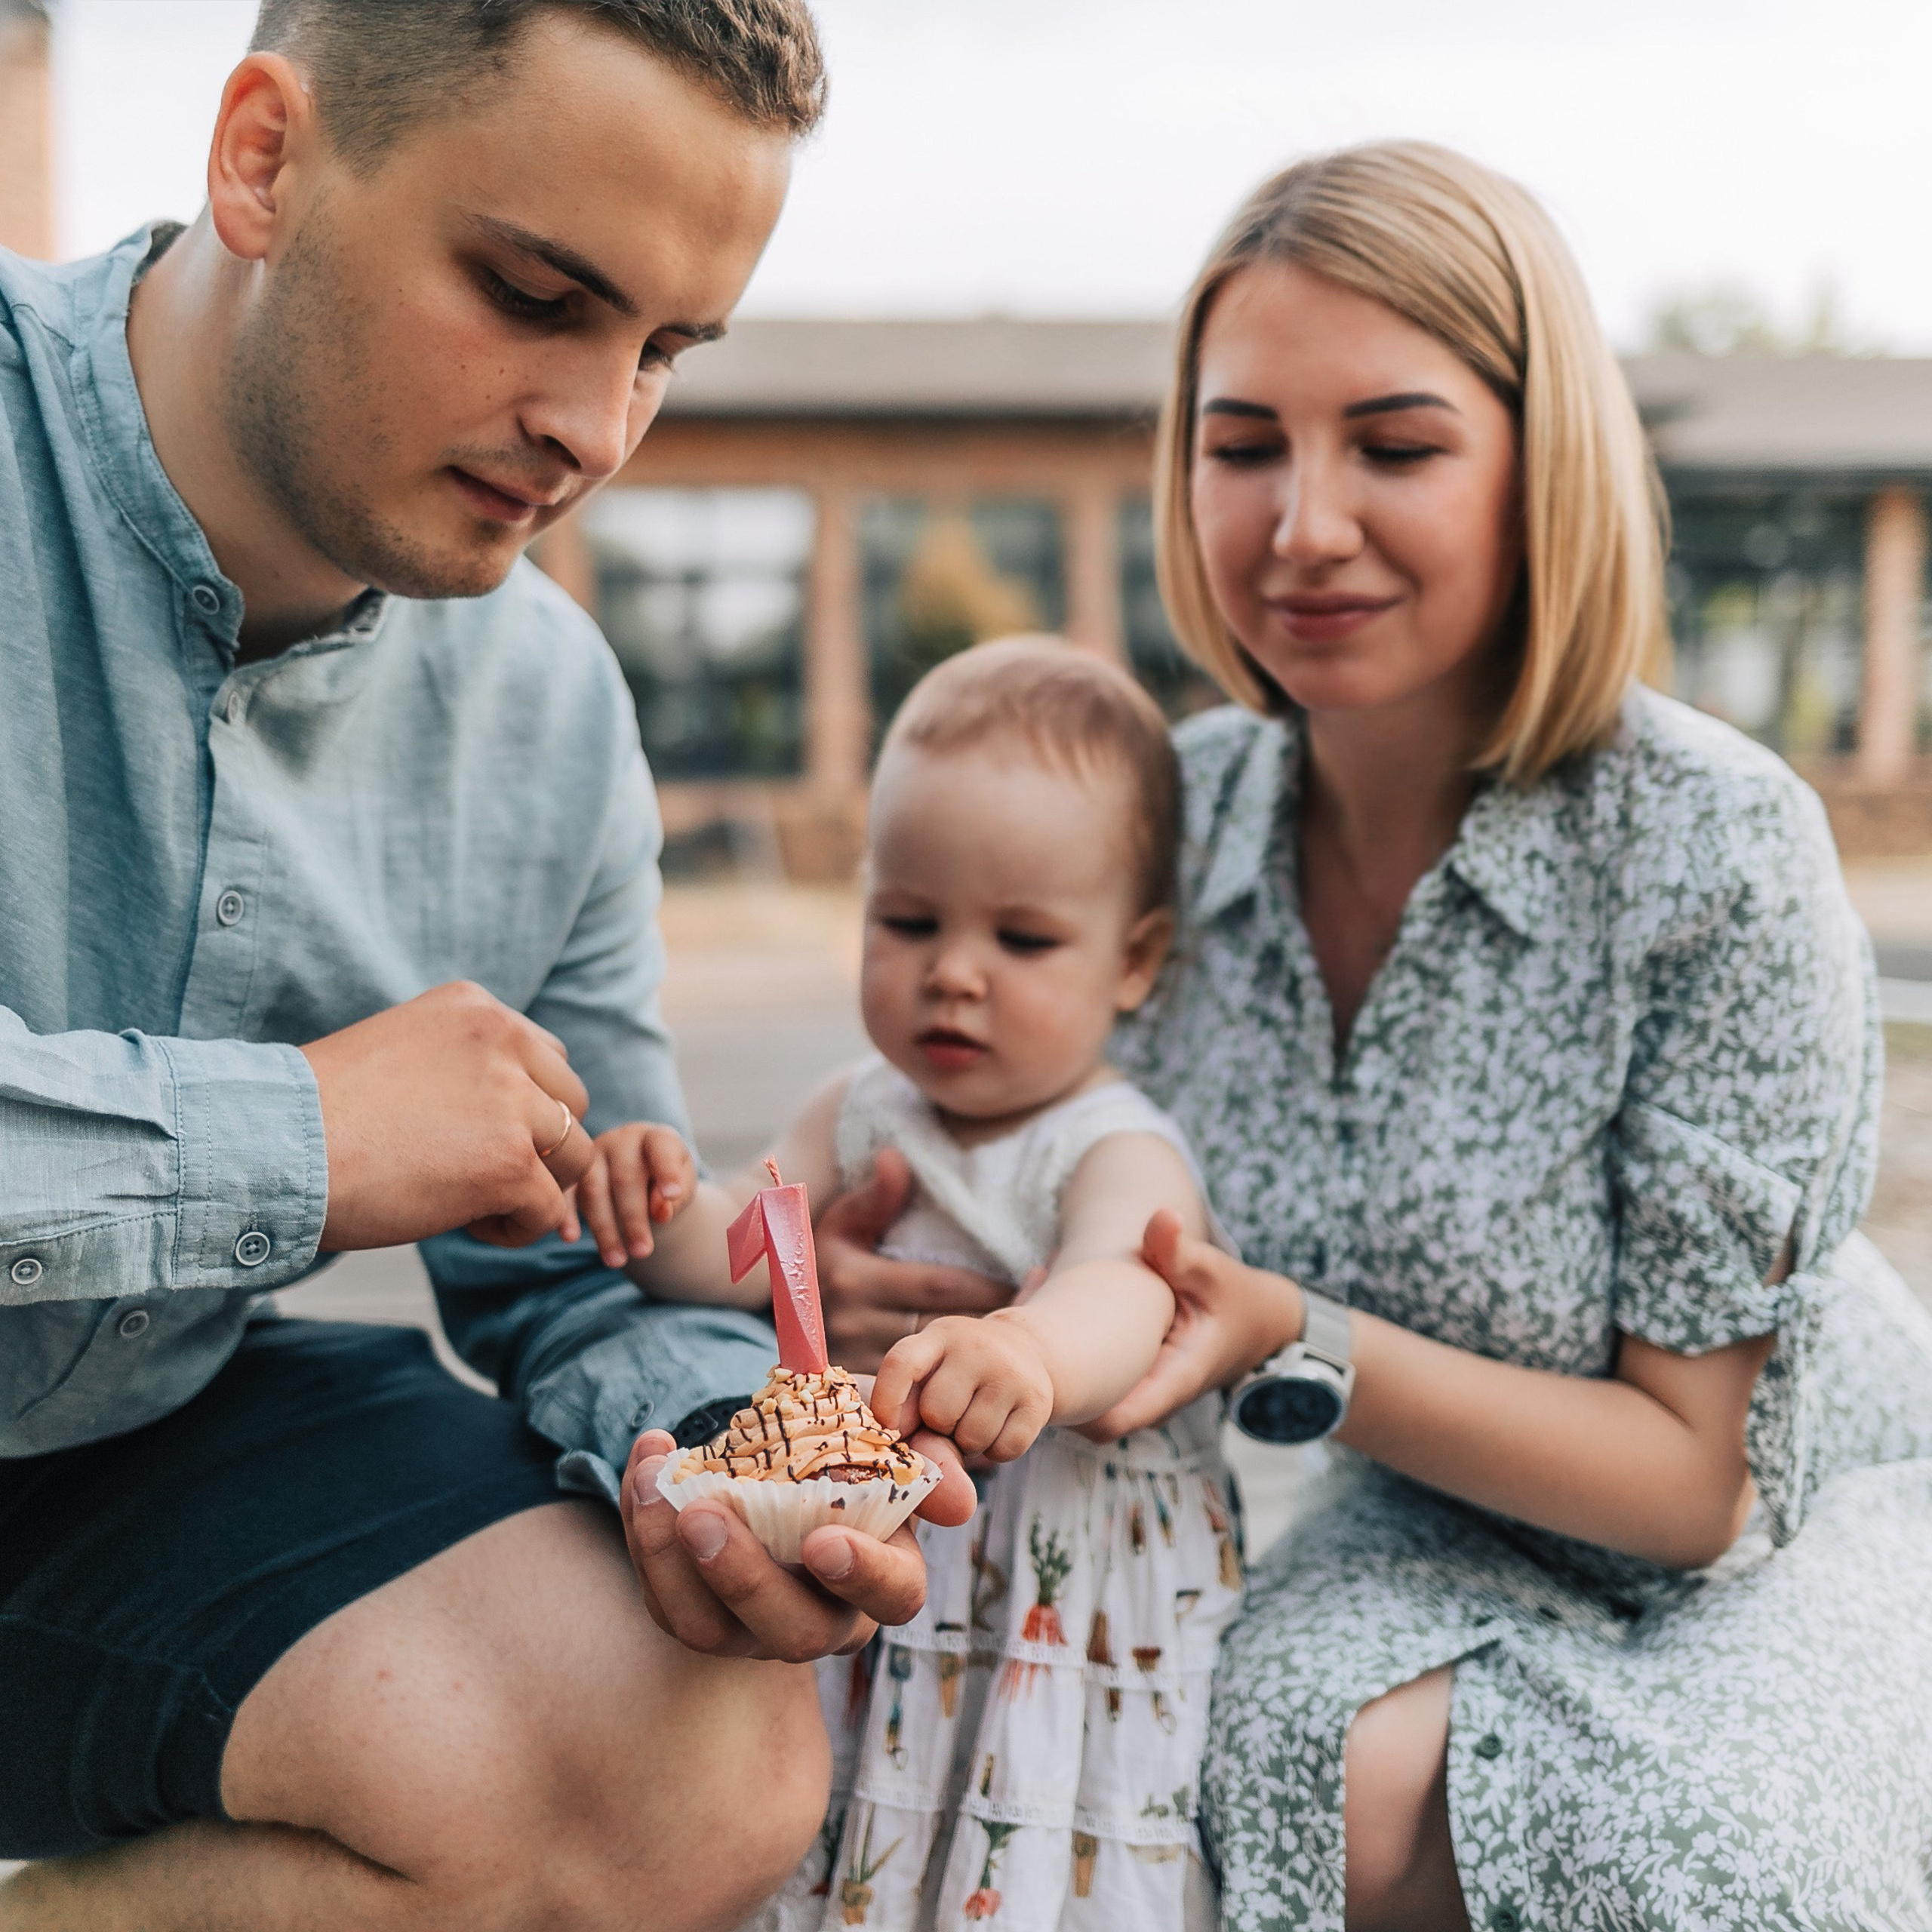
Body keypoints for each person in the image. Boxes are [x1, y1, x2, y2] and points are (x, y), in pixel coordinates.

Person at [811, 143, 1932, 1932]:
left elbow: (1698, 1482)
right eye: (1242, 442)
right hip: (1427, 1516)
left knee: (1710, 1858)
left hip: (1794, 1522)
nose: (1298, 522)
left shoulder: (1715, 847)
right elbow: (1001, 1135)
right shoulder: (1163, 817)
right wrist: (891, 1270)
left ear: (1533, 467)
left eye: (1392, 447)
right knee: (1282, 1766)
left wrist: (1299, 1335)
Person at [0, 5, 985, 1929]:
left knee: (694, 1748)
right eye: (537, 293)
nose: (596, 427)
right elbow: (324, 1146)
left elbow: (588, 1251)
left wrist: (713, 1459)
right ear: (263, 159)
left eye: (666, 352)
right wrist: (294, 1136)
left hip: (115, 1455)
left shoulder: (545, 708)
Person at [583, 638, 1244, 1931]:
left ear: (1133, 959)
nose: (954, 970)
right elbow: (741, 1250)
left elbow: (1133, 1283)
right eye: (910, 921)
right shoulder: (860, 1110)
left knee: (1030, 1841)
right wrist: (642, 1199)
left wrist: (1034, 1353)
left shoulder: (1114, 1141)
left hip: (1064, 1580)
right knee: (864, 1831)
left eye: (1024, 936)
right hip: (880, 1570)